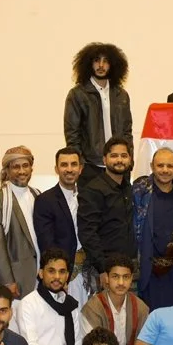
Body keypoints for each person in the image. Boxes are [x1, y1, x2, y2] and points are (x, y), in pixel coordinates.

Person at [64, 42, 133, 185]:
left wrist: (129, 159)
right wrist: (80, 163)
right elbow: (72, 134)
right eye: (96, 60)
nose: (101, 65)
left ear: (113, 65)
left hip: (119, 165)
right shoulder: (77, 94)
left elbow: (127, 131)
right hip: (90, 166)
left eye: (106, 61)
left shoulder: (121, 95)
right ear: (88, 64)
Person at [133, 148, 173, 309]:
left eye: (170, 166)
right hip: (151, 272)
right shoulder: (140, 191)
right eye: (160, 165)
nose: (165, 170)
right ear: (152, 166)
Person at [34, 147, 92, 303]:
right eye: (64, 165)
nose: (69, 169)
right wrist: (59, 275)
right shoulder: (45, 200)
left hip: (89, 274)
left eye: (74, 164)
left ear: (80, 168)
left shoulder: (90, 197)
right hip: (64, 276)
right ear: (56, 169)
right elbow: (47, 243)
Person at [79, 137, 137, 286]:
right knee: (106, 309)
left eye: (124, 156)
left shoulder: (129, 189)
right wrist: (102, 268)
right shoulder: (93, 190)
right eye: (114, 156)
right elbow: (87, 233)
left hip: (131, 268)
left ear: (130, 159)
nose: (119, 160)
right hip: (107, 270)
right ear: (104, 160)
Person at [81, 253, 150, 345]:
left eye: (126, 277)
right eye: (115, 277)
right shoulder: (92, 308)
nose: (121, 283)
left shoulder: (141, 308)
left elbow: (148, 341)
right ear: (107, 278)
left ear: (131, 278)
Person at [0, 146, 40, 299]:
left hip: (40, 274)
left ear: (31, 168)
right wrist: (7, 281)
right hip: (16, 280)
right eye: (16, 167)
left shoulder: (37, 194)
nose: (22, 171)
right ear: (7, 170)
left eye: (25, 166)